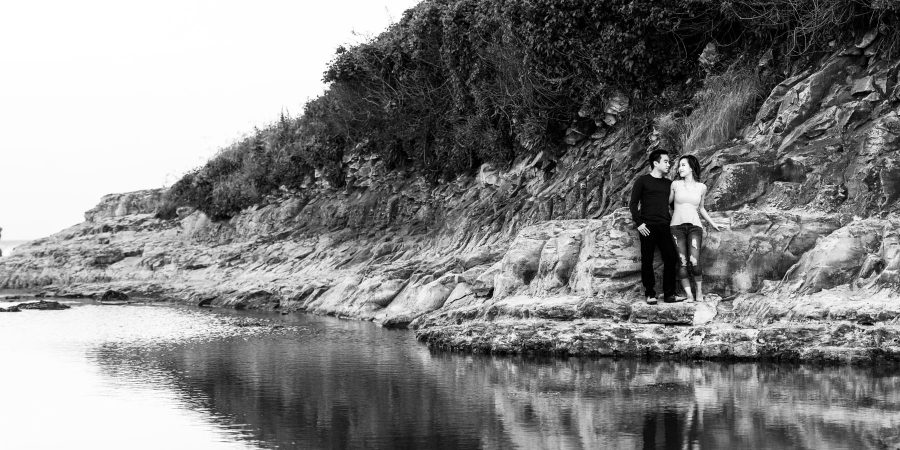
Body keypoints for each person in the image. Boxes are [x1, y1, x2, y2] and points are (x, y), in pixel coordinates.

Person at [629, 149, 679, 305]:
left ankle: (669, 294)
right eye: (666, 161)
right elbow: (633, 204)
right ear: (655, 163)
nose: (668, 164)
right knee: (647, 260)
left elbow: (674, 205)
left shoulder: (669, 184)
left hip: (665, 225)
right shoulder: (642, 181)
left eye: (669, 162)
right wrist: (639, 223)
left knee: (671, 258)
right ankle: (650, 293)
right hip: (647, 226)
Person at [669, 154, 720, 302]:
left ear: (691, 167)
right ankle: (689, 295)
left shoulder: (701, 187)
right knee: (682, 262)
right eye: (679, 166)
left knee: (695, 261)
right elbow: (666, 202)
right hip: (676, 227)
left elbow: (702, 208)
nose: (680, 168)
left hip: (695, 227)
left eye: (683, 165)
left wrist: (712, 223)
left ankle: (699, 292)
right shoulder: (675, 185)